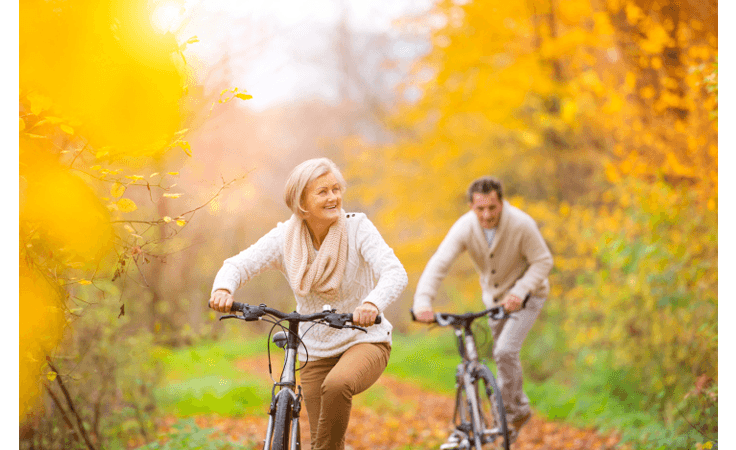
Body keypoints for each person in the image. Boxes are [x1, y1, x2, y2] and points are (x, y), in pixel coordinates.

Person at [209, 157, 407, 450]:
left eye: (336, 189)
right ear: (301, 202)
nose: (334, 197)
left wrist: (372, 304)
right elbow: (238, 264)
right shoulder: (285, 238)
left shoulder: (357, 229)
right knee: (322, 439)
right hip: (314, 348)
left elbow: (394, 272)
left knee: (337, 387)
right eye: (323, 192)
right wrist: (224, 288)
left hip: (365, 338)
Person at [412, 176, 553, 438]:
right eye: (480, 209)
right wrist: (422, 301)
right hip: (495, 302)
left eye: (492, 208)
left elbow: (543, 261)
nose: (486, 215)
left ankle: (512, 415)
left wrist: (520, 291)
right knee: (501, 359)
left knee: (505, 351)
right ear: (470, 207)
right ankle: (503, 415)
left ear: (502, 203)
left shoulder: (521, 224)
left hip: (528, 296)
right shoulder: (465, 228)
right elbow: (439, 263)